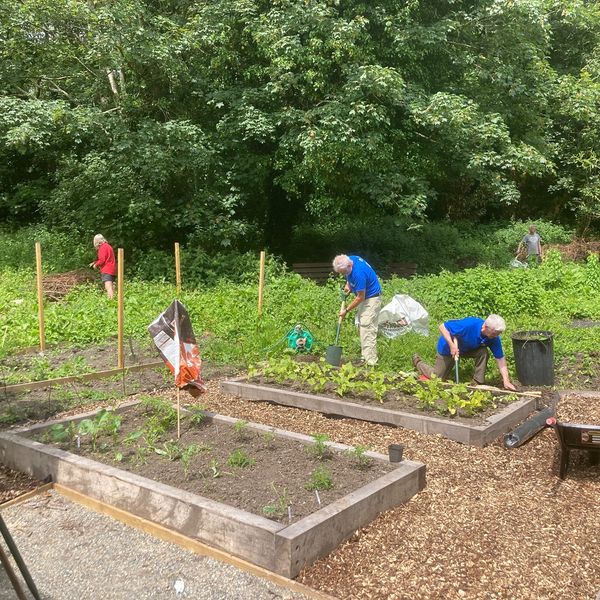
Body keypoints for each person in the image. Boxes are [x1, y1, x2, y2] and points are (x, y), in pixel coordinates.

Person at [412, 314, 517, 390]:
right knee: (437, 378)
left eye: (498, 333)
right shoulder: (468, 325)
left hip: (467, 349)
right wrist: (452, 346)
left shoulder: (493, 338)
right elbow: (442, 326)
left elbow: (500, 358)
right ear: (485, 327)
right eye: (495, 333)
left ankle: (477, 382)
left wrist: (506, 380)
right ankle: (418, 362)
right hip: (448, 348)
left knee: (483, 352)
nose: (497, 336)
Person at [332, 254, 382, 367]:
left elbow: (360, 297)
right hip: (365, 296)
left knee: (367, 327)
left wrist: (346, 310)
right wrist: (348, 284)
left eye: (344, 272)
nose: (343, 275)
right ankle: (365, 357)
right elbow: (349, 276)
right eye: (341, 273)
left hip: (371, 298)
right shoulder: (351, 259)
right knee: (362, 327)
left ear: (349, 266)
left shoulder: (359, 273)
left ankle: (370, 363)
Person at [89, 234, 116, 299]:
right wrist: (95, 262)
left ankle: (111, 302)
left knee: (108, 287)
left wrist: (96, 265)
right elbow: (107, 258)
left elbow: (102, 260)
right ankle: (114, 302)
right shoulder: (108, 246)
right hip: (112, 269)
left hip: (107, 270)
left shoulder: (102, 247)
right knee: (112, 286)